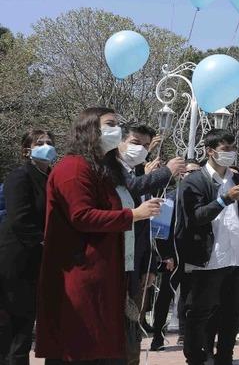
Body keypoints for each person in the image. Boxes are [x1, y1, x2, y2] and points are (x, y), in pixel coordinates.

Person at [37, 107, 163, 364]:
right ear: (89, 128)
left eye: (118, 124)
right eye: (110, 124)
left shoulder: (102, 170)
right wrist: (133, 215)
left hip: (106, 273)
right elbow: (82, 216)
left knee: (104, 349)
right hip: (80, 275)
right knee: (79, 347)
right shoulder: (73, 168)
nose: (117, 130)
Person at [175, 129, 239, 365]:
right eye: (225, 149)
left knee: (231, 316)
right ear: (210, 151)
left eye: (233, 148)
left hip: (238, 259)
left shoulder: (238, 179)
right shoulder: (194, 181)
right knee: (199, 315)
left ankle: (225, 358)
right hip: (208, 261)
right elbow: (195, 217)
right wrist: (225, 199)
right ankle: (196, 359)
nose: (230, 153)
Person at [114, 125, 185, 363]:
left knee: (132, 328)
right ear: (120, 142)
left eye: (146, 146)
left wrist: (149, 266)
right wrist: (166, 172)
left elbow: (146, 228)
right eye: (136, 143)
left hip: (137, 265)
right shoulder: (112, 171)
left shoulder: (138, 173)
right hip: (114, 263)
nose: (141, 149)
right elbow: (132, 188)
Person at [0, 129, 55, 365]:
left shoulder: (53, 178)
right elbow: (19, 219)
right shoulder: (19, 177)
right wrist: (45, 243)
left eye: (49, 142)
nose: (46, 146)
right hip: (16, 260)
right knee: (12, 331)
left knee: (25, 328)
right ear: (26, 150)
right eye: (39, 143)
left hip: (38, 262)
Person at [149, 159, 203, 351]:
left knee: (189, 298)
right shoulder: (170, 197)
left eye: (197, 172)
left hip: (194, 256)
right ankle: (158, 336)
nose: (193, 176)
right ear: (181, 174)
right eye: (190, 172)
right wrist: (165, 255)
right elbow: (159, 230)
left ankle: (185, 334)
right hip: (172, 257)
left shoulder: (202, 197)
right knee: (165, 297)